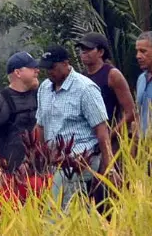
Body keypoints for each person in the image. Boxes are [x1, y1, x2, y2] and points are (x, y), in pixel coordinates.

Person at [34, 45, 118, 211]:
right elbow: (40, 126)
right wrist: (36, 157)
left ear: (66, 63)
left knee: (58, 213)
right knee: (70, 210)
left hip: (81, 161)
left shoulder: (85, 88)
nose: (49, 72)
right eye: (46, 68)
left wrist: (109, 167)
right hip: (53, 161)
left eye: (53, 67)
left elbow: (102, 130)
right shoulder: (44, 88)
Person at [0, 52, 40, 188]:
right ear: (18, 72)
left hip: (39, 173)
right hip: (7, 174)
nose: (37, 71)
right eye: (32, 68)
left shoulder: (42, 95)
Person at [77, 32, 136, 152]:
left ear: (100, 52)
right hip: (87, 143)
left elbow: (131, 112)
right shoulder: (81, 77)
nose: (83, 52)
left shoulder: (112, 74)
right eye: (82, 49)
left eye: (88, 49)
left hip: (112, 141)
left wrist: (109, 135)